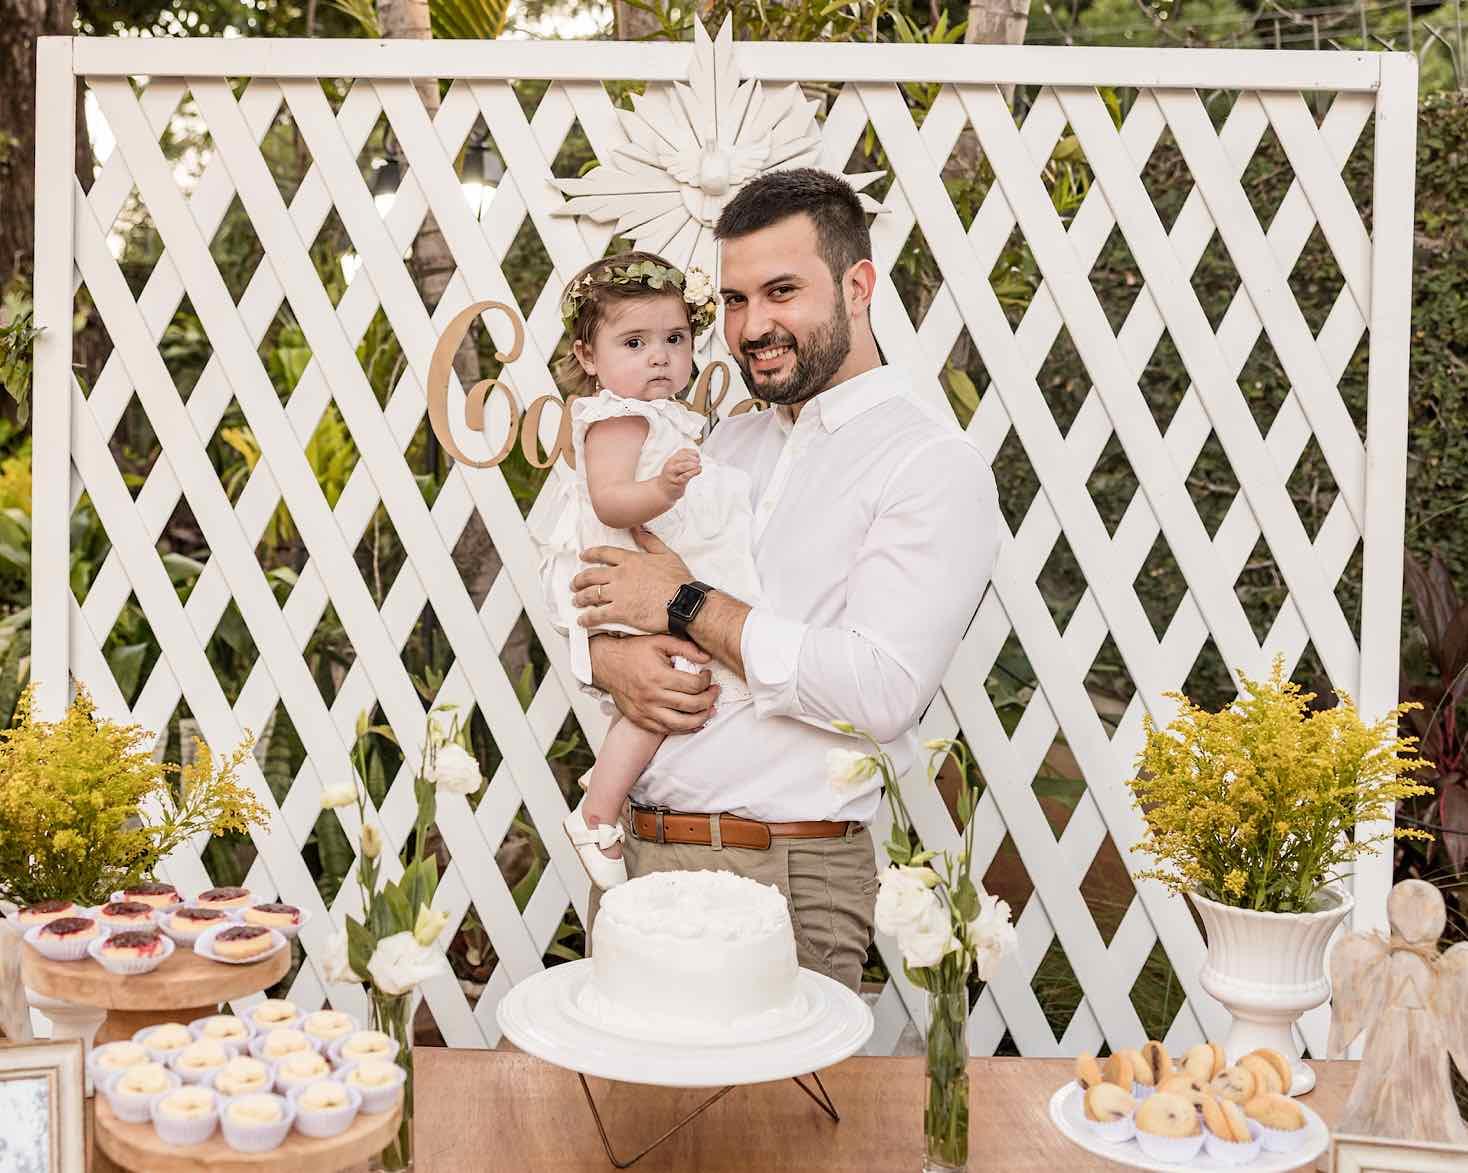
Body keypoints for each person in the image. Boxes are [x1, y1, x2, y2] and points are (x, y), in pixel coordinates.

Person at [569, 169, 1002, 991]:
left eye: (781, 292)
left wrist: (688, 604)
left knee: (780, 1084)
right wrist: (611, 662)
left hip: (787, 872)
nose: (753, 326)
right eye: (735, 300)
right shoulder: (723, 446)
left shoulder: (929, 464)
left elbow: (880, 690)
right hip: (641, 856)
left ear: (858, 286)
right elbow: (619, 596)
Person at [532, 251, 763, 891]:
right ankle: (597, 813)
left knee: (672, 685)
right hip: (629, 571)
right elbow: (611, 501)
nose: (659, 357)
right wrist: (663, 488)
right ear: (588, 356)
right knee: (671, 685)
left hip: (651, 569)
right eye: (634, 343)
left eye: (674, 339)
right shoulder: (617, 417)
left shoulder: (658, 415)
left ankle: (612, 775)